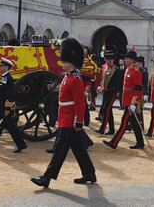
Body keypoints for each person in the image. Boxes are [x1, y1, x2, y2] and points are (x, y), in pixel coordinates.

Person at [31, 38, 96, 188]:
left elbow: (80, 103)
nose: (63, 64)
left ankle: (46, 178)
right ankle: (89, 173)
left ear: (72, 62)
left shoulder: (76, 79)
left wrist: (79, 120)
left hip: (71, 120)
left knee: (59, 150)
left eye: (66, 62)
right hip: (65, 117)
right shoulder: (68, 77)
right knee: (79, 148)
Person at [103, 50, 144, 149]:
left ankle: (114, 142)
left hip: (131, 102)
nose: (124, 60)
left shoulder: (136, 72)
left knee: (124, 123)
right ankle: (140, 143)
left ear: (132, 60)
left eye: (127, 58)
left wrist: (133, 103)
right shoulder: (127, 70)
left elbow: (138, 89)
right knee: (134, 124)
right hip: (126, 100)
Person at [96, 45, 123, 135]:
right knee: (108, 110)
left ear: (112, 60)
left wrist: (119, 93)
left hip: (113, 91)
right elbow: (103, 80)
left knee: (106, 109)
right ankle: (111, 129)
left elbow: (119, 84)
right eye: (106, 59)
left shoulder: (117, 70)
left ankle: (102, 128)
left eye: (109, 59)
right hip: (106, 91)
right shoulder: (106, 68)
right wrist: (101, 86)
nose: (107, 61)